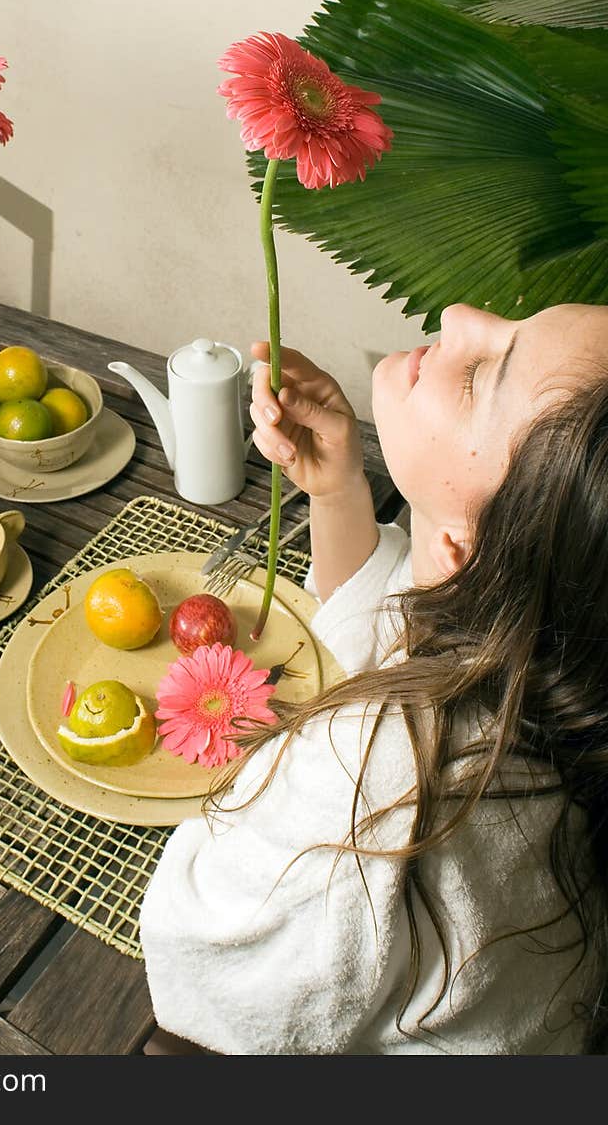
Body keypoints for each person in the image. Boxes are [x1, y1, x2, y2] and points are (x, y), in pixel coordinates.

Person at [138, 302, 608, 1055]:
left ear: (469, 549)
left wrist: (257, 790)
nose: (458, 314)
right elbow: (403, 614)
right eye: (509, 320)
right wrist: (336, 493)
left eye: (482, 372)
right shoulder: (539, 672)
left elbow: (200, 960)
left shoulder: (376, 791)